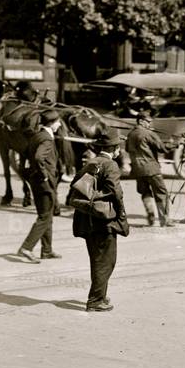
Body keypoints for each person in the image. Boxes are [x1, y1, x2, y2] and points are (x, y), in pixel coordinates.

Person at [68, 129, 129, 312]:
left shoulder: (90, 162)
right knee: (106, 261)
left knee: (97, 259)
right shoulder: (110, 165)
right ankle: (95, 301)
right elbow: (116, 192)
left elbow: (76, 186)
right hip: (103, 221)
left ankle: (100, 294)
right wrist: (122, 216)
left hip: (87, 219)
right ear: (115, 148)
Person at [16, 110, 63, 263]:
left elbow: (23, 152)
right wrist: (43, 174)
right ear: (52, 123)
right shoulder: (47, 140)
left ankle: (47, 250)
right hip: (45, 182)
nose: (60, 124)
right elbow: (38, 157)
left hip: (36, 181)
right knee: (44, 216)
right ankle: (27, 248)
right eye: (58, 122)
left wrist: (26, 172)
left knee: (47, 215)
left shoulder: (36, 135)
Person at [125, 111, 173, 227]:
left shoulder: (131, 134)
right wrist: (174, 144)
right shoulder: (148, 133)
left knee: (145, 192)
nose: (150, 124)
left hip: (137, 169)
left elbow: (127, 149)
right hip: (152, 169)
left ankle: (150, 213)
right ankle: (164, 220)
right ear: (141, 121)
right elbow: (162, 148)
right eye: (148, 122)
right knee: (161, 194)